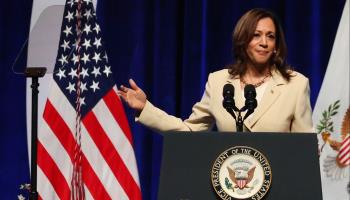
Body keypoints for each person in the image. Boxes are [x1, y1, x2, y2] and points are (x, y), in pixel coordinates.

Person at [118, 8, 313, 133]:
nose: (264, 43)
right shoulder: (219, 82)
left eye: (270, 37)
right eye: (256, 35)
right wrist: (146, 108)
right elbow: (190, 131)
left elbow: (303, 148)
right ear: (243, 40)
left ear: (276, 46)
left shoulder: (295, 85)